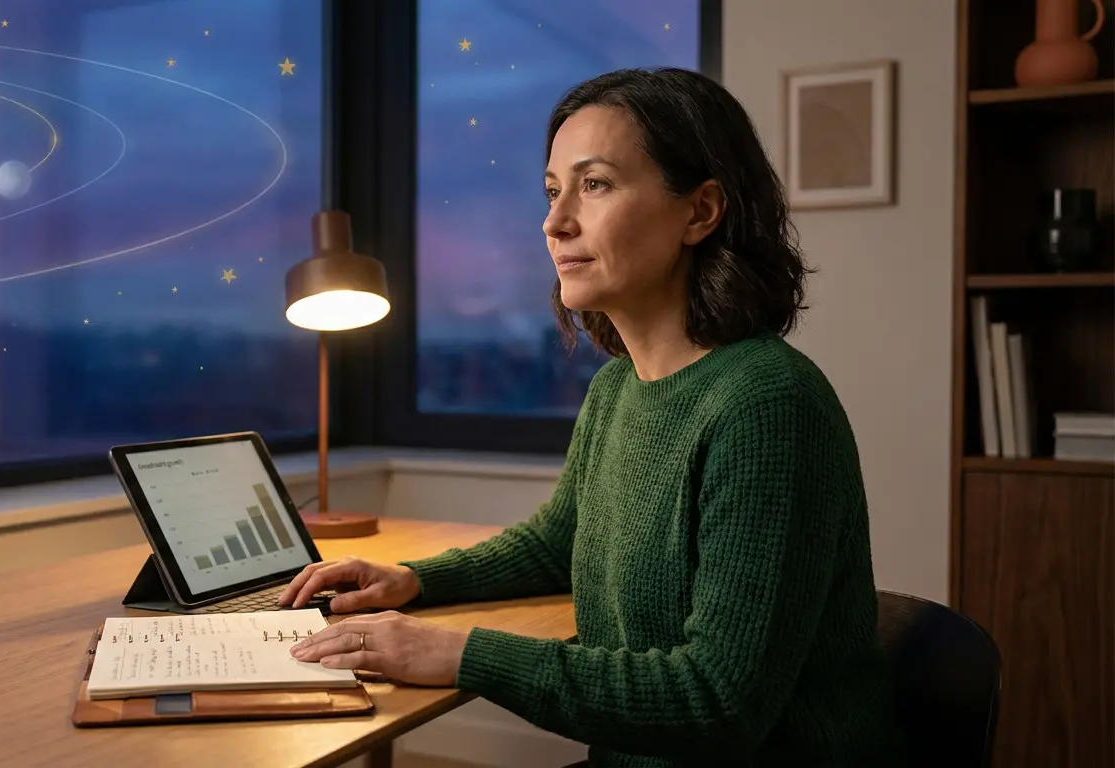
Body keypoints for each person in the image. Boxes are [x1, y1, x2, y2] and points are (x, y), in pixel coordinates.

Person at [277, 67, 904, 767]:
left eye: (595, 184)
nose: (555, 221)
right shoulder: (617, 389)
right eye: (552, 192)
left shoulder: (768, 406)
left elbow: (718, 703)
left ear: (700, 211)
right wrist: (417, 579)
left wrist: (462, 655)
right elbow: (557, 543)